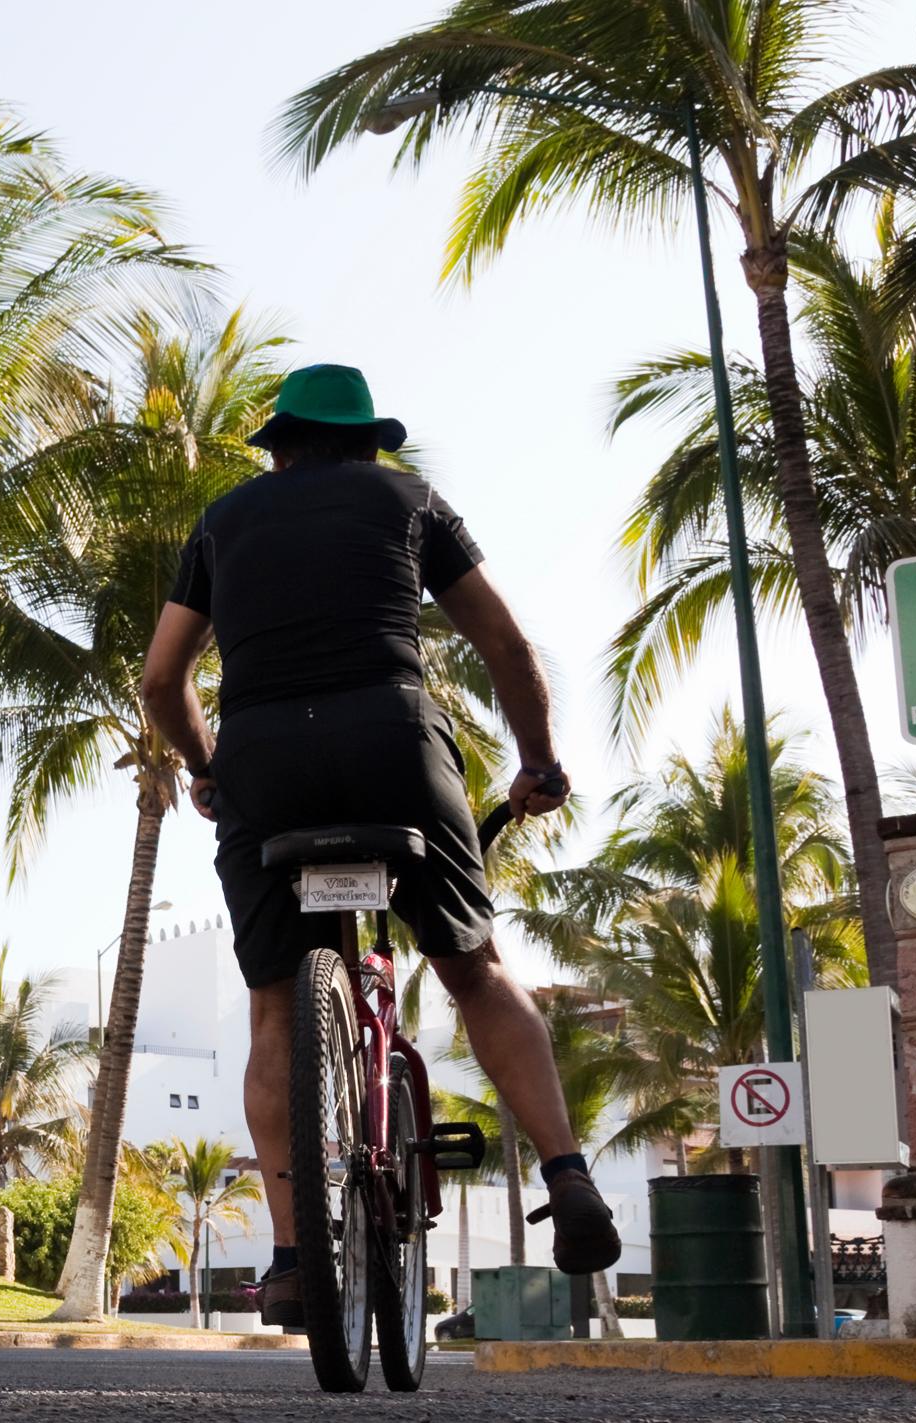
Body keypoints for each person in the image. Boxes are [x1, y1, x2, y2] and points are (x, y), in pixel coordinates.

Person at [137, 363, 620, 1326]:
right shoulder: (411, 500)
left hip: (265, 758)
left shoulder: (223, 522)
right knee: (475, 969)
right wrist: (539, 762)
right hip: (393, 741)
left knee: (276, 1007)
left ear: (277, 447)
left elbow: (160, 681)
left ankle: (286, 1257)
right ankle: (567, 1174)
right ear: (368, 444)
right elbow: (508, 647)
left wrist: (212, 768)